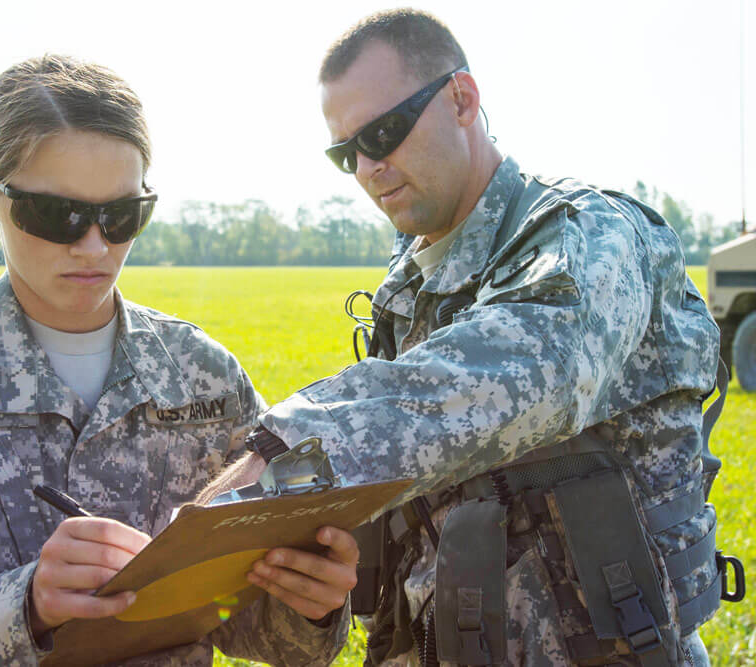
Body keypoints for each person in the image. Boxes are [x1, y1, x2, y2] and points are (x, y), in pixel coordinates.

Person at [215, 9, 736, 666]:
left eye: (385, 132)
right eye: (347, 152)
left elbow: (535, 370)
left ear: (463, 100)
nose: (370, 167)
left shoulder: (586, 232)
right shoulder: (409, 280)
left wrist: (287, 444)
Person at [0, 54, 356, 666]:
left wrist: (310, 603)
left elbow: (241, 623)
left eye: (121, 216)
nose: (94, 246)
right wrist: (25, 606)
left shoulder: (204, 374)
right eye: (58, 214)